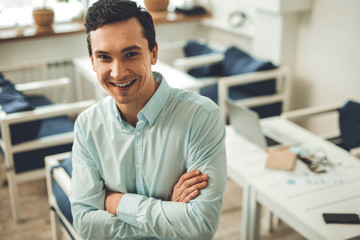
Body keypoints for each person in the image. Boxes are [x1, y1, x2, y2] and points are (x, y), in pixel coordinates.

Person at [70, 0, 227, 239]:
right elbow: (86, 225)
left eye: (130, 54)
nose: (118, 72)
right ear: (92, 61)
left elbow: (200, 226)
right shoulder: (87, 125)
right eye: (104, 57)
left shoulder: (201, 117)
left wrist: (115, 201)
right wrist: (169, 212)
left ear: (153, 53)